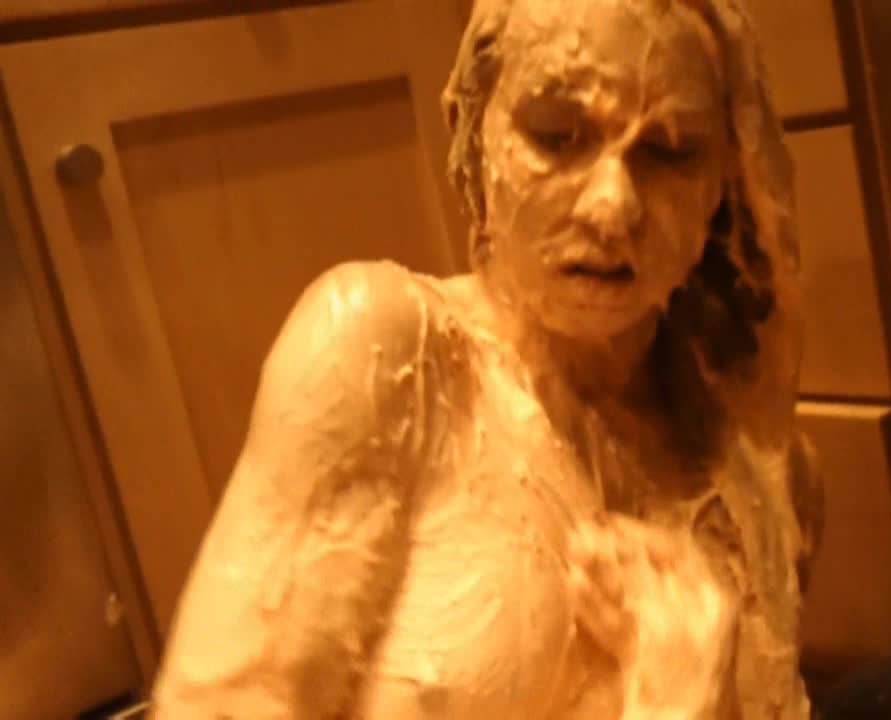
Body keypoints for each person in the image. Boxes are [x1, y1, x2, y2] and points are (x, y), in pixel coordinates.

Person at [150, 0, 820, 717]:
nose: (613, 208)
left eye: (672, 151)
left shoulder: (767, 474)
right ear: (474, 136)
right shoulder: (386, 356)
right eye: (557, 136)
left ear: (724, 180)